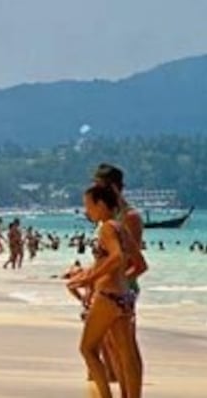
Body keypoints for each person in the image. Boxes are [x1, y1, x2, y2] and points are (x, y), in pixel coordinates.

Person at [66, 184, 140, 398]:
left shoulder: (106, 228)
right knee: (127, 356)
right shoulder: (122, 228)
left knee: (87, 349)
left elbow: (116, 257)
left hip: (107, 298)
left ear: (100, 203)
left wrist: (92, 278)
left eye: (87, 205)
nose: (86, 211)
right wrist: (117, 281)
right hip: (125, 297)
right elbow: (140, 264)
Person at [93, 163, 147, 398]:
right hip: (107, 286)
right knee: (114, 347)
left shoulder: (129, 217)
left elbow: (129, 258)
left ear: (113, 187)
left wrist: (118, 285)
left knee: (126, 348)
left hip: (122, 287)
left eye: (99, 185)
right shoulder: (109, 215)